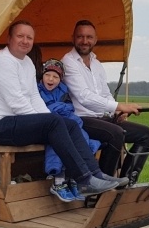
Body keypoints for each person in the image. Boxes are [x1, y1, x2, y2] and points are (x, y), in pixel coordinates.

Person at [0, 20, 125, 199]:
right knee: (55, 122)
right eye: (20, 36)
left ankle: (96, 174)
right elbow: (16, 103)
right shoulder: (3, 61)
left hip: (16, 122)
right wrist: (47, 123)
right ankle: (84, 180)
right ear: (9, 38)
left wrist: (52, 121)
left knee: (69, 123)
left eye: (29, 38)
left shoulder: (27, 63)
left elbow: (34, 96)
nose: (25, 41)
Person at [62, 19, 149, 184]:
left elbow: (104, 93)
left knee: (146, 134)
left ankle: (126, 181)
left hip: (103, 119)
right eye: (80, 37)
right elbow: (83, 96)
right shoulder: (68, 62)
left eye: (89, 37)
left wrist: (117, 111)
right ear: (73, 38)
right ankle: (103, 185)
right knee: (115, 133)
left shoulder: (97, 64)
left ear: (95, 39)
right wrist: (119, 106)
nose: (85, 41)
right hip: (82, 120)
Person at [37, 58, 107, 201]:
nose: (51, 79)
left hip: (68, 121)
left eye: (55, 76)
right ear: (42, 76)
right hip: (47, 125)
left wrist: (58, 108)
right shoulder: (36, 90)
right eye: (47, 75)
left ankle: (76, 179)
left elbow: (69, 107)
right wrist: (57, 108)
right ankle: (58, 180)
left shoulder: (64, 91)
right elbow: (41, 109)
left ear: (60, 79)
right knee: (59, 140)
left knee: (83, 139)